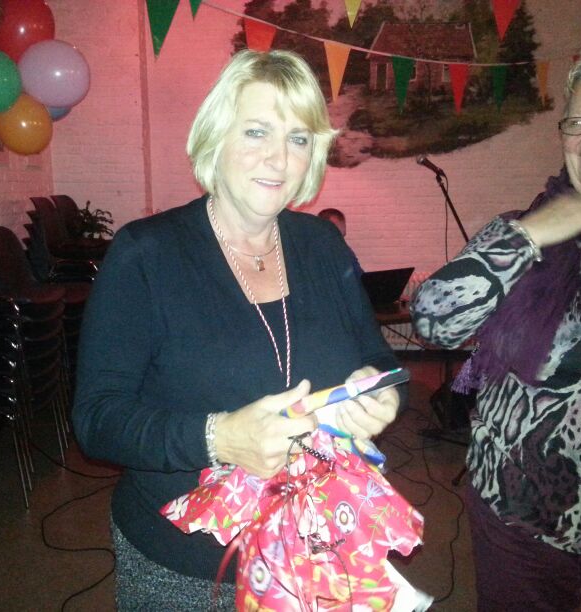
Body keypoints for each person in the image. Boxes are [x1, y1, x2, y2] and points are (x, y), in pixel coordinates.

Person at [72, 49, 404, 610]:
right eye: (256, 131)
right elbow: (97, 420)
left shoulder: (323, 246)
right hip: (190, 565)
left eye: (298, 138)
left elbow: (381, 358)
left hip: (319, 547)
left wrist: (382, 394)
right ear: (216, 136)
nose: (278, 157)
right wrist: (217, 438)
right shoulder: (145, 254)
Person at [410, 35, 581, 611]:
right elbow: (433, 320)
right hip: (510, 512)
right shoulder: (524, 230)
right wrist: (535, 232)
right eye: (577, 123)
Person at [318, 207, 364, 276]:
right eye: (336, 235)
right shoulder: (339, 249)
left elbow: (357, 273)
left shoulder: (344, 249)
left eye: (341, 236)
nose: (339, 240)